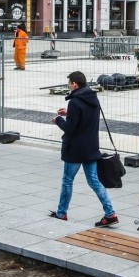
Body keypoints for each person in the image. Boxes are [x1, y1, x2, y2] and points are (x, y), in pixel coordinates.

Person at [49, 70, 118, 227]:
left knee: (67, 181)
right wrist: (69, 113)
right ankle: (110, 213)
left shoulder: (74, 101)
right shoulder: (92, 97)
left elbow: (71, 128)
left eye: (69, 83)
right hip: (91, 148)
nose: (68, 86)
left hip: (75, 149)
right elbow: (85, 116)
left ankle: (61, 213)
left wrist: (59, 119)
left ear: (74, 84)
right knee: (94, 181)